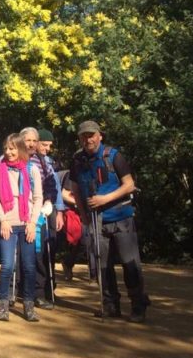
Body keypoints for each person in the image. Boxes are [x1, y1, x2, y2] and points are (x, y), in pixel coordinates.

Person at [64, 121, 150, 323]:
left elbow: (129, 185)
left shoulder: (113, 156)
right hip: (96, 220)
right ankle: (110, 305)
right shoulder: (77, 160)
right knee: (103, 265)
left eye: (91, 135)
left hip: (121, 217)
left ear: (100, 136)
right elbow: (75, 188)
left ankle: (138, 305)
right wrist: (83, 215)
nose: (88, 139)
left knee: (130, 264)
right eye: (84, 136)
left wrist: (105, 199)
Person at [0, 133, 43, 322]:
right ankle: (3, 304)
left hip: (27, 222)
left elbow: (37, 198)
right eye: (5, 148)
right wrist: (2, 219)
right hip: (8, 223)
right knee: (7, 266)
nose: (8, 152)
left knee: (29, 267)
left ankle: (28, 305)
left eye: (12, 148)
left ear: (20, 148)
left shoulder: (32, 169)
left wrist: (33, 222)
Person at [24, 127, 66, 308]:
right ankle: (28, 290)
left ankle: (43, 290)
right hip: (24, 211)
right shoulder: (19, 158)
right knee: (30, 252)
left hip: (44, 210)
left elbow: (52, 185)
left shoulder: (45, 162)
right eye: (44, 144)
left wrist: (53, 206)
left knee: (44, 251)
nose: (45, 148)